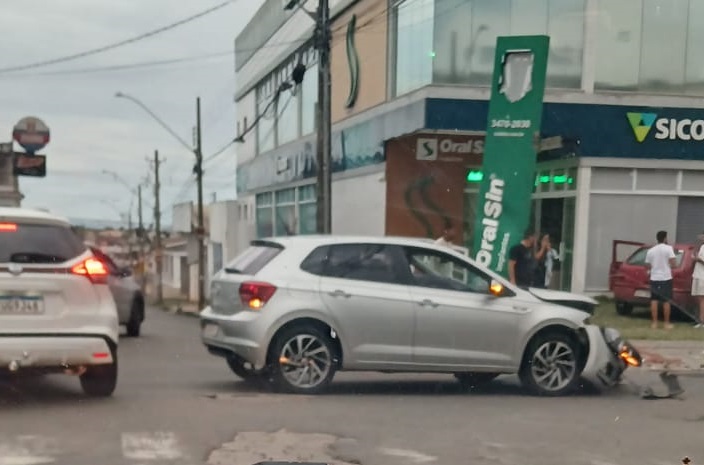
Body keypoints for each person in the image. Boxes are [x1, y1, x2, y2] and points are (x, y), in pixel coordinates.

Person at [644, 230, 676, 330]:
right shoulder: (668, 248)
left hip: (654, 277)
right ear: (665, 238)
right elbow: (673, 263)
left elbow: (647, 264)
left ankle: (654, 323)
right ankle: (666, 323)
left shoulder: (651, 250)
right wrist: (670, 265)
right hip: (666, 277)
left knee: (654, 300)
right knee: (666, 301)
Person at [691, 232, 704, 328]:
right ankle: (700, 320)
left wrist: (697, 259)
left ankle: (702, 321)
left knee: (702, 299)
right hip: (698, 275)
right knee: (699, 299)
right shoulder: (702, 247)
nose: (700, 237)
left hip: (702, 276)